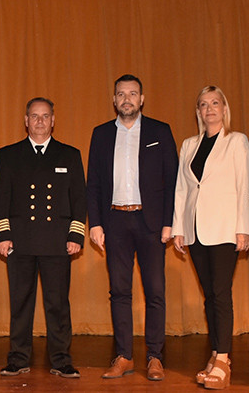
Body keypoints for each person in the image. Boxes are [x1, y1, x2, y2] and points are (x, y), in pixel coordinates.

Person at [86, 74, 178, 381]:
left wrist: (169, 222)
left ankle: (155, 357)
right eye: (121, 94)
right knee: (119, 291)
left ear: (142, 99)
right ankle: (124, 356)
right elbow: (93, 183)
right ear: (114, 100)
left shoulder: (160, 131)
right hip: (115, 221)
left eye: (133, 93)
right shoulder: (101, 134)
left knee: (155, 291)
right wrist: (96, 223)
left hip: (150, 223)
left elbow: (172, 180)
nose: (127, 99)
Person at [0, 97, 86, 379]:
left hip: (57, 241)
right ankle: (18, 358)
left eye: (45, 116)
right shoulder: (9, 154)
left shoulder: (69, 154)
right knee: (20, 303)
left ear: (53, 120)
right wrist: (3, 234)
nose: (40, 121)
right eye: (34, 116)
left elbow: (79, 199)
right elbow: (1, 198)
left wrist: (75, 234)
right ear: (26, 120)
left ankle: (61, 359)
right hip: (20, 241)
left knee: (57, 304)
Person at [172, 86, 249, 390]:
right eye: (204, 104)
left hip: (224, 228)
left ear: (224, 108)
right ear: (198, 111)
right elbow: (182, 188)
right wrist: (179, 227)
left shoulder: (236, 141)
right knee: (210, 295)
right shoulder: (189, 145)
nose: (209, 109)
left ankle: (223, 358)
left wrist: (244, 227)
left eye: (215, 103)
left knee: (221, 293)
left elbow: (245, 185)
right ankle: (217, 353)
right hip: (195, 230)